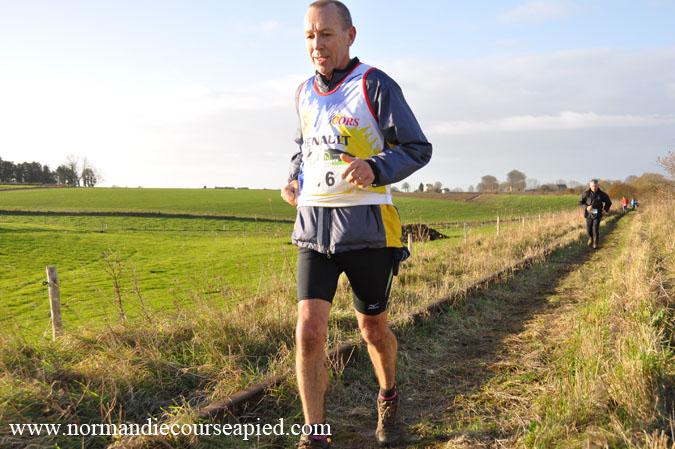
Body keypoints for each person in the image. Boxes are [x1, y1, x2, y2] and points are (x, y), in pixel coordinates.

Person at [280, 1, 432, 447]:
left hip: (368, 229)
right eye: (310, 36)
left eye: (326, 34)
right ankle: (315, 434)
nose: (317, 44)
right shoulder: (303, 92)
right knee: (309, 331)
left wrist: (375, 167)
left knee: (372, 329)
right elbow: (304, 147)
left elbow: (417, 148)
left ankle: (388, 396)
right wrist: (293, 179)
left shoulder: (375, 85)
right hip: (314, 228)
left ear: (350, 35)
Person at [579, 179, 612, 249]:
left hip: (598, 213)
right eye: (593, 186)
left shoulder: (602, 194)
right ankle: (590, 238)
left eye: (595, 186)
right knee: (588, 229)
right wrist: (586, 207)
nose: (594, 187)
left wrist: (605, 210)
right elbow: (580, 202)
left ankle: (595, 243)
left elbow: (609, 202)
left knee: (595, 228)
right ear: (590, 186)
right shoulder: (586, 194)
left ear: (598, 186)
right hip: (588, 214)